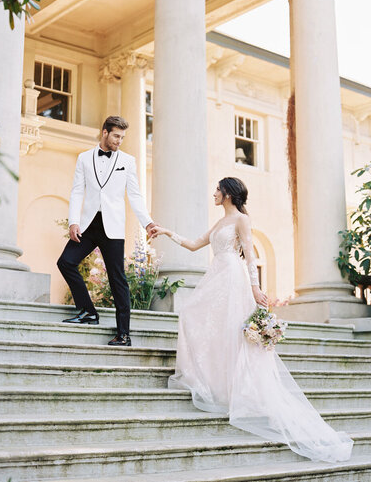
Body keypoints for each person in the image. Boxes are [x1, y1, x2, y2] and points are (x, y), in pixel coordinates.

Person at [151, 177, 353, 462]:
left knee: (232, 329)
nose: (214, 193)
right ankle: (215, 383)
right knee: (192, 314)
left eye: (218, 190)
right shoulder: (219, 222)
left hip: (233, 276)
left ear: (229, 194)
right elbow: (194, 244)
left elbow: (248, 255)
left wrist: (255, 287)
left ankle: (238, 390)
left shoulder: (242, 220)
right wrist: (165, 231)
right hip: (216, 275)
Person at [57, 116, 157, 346]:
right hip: (88, 224)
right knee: (66, 262)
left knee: (117, 279)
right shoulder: (84, 158)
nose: (119, 141)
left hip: (112, 227)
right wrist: (73, 221)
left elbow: (135, 195)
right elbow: (77, 192)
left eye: (122, 137)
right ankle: (88, 312)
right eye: (116, 136)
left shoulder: (128, 161)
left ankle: (124, 334)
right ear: (104, 133)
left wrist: (147, 223)